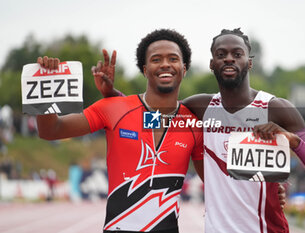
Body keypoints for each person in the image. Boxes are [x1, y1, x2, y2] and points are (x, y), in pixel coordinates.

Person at [102, 28, 305, 233]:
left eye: (237, 54)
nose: (229, 59)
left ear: (249, 62)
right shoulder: (199, 108)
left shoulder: (276, 109)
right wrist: (114, 96)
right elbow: (150, 116)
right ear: (212, 64)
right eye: (221, 55)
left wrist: (293, 141)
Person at [35, 29, 204, 233]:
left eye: (173, 58)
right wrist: (45, 87)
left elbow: (217, 185)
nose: (165, 64)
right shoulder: (113, 108)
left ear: (184, 69)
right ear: (144, 69)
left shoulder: (194, 124)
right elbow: (51, 130)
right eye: (156, 59)